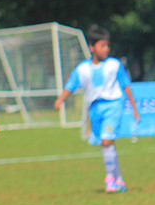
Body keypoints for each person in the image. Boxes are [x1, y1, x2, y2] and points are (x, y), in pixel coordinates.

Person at [54, 25, 141, 193]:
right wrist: (61, 100)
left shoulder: (114, 65)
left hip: (113, 105)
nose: (106, 49)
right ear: (92, 47)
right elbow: (71, 85)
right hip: (94, 108)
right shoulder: (82, 69)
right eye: (102, 45)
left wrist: (134, 108)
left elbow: (126, 85)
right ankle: (118, 179)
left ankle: (109, 179)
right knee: (105, 143)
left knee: (107, 140)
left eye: (108, 45)